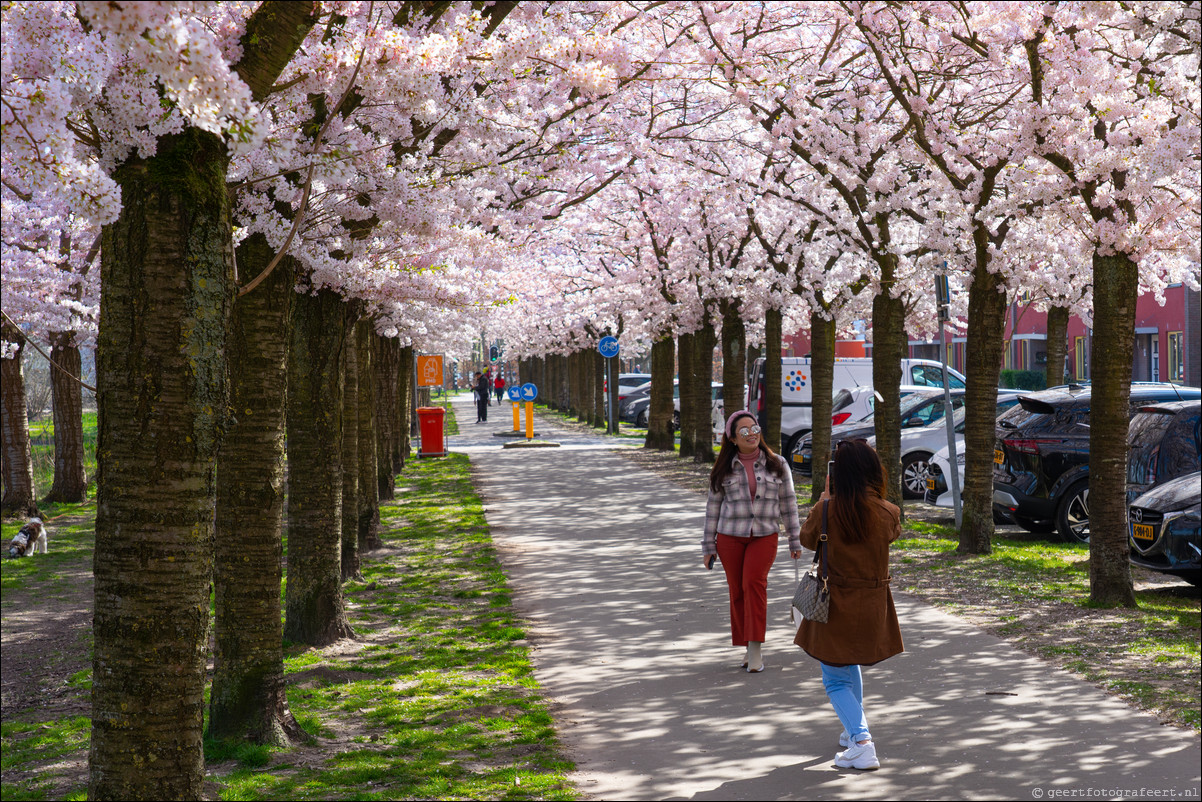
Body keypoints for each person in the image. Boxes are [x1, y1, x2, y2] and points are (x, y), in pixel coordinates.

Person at [794, 438, 903, 771]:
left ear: (838, 474)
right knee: (848, 663)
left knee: (834, 678)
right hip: (872, 604)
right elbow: (892, 534)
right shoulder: (888, 512)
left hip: (834, 603)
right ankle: (851, 730)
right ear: (872, 471)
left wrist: (826, 501)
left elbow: (806, 539)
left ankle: (862, 741)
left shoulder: (827, 509)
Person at [702, 410, 801, 674]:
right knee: (737, 590)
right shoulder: (723, 468)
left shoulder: (777, 463)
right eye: (743, 431)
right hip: (729, 537)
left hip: (764, 535)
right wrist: (708, 546)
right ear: (733, 438)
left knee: (753, 584)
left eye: (754, 428)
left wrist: (795, 539)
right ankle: (747, 645)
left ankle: (756, 649)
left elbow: (788, 503)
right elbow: (713, 508)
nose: (751, 434)